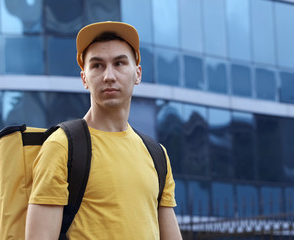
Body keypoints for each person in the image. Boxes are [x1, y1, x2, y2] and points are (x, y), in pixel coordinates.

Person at [25, 21, 182, 239]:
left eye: (119, 63)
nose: (109, 75)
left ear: (137, 74)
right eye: (97, 65)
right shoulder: (62, 146)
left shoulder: (158, 155)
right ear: (84, 79)